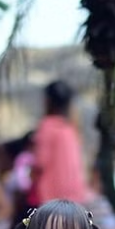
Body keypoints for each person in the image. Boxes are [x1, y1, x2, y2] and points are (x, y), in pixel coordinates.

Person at [28, 80, 89, 208]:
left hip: (52, 198)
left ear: (47, 101)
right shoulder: (71, 128)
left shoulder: (47, 126)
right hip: (76, 196)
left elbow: (40, 163)